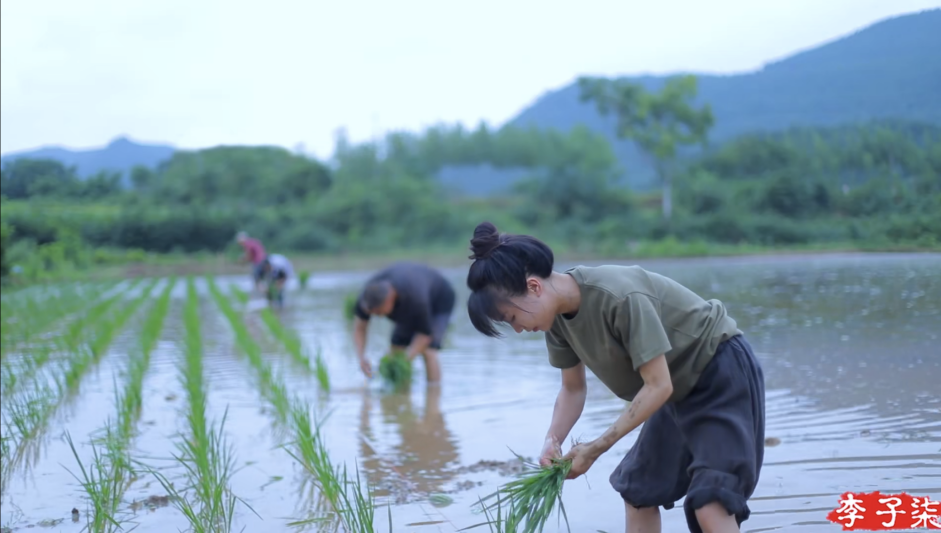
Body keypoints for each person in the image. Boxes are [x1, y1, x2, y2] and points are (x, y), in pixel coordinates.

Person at [464, 221, 765, 533]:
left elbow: (658, 385)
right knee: (638, 490)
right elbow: (572, 390)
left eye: (512, 318)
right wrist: (552, 441)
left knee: (711, 502)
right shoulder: (556, 321)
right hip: (673, 388)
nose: (518, 329)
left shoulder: (619, 296)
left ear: (534, 287)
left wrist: (596, 448)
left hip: (716, 368)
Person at [352, 262, 456, 384]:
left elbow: (424, 336)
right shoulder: (367, 297)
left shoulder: (417, 299)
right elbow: (360, 327)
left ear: (390, 299)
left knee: (429, 350)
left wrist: (404, 360)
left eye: (379, 313)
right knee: (396, 349)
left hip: (440, 300)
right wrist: (361, 357)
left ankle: (433, 390)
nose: (378, 316)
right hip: (409, 299)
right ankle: (400, 390)